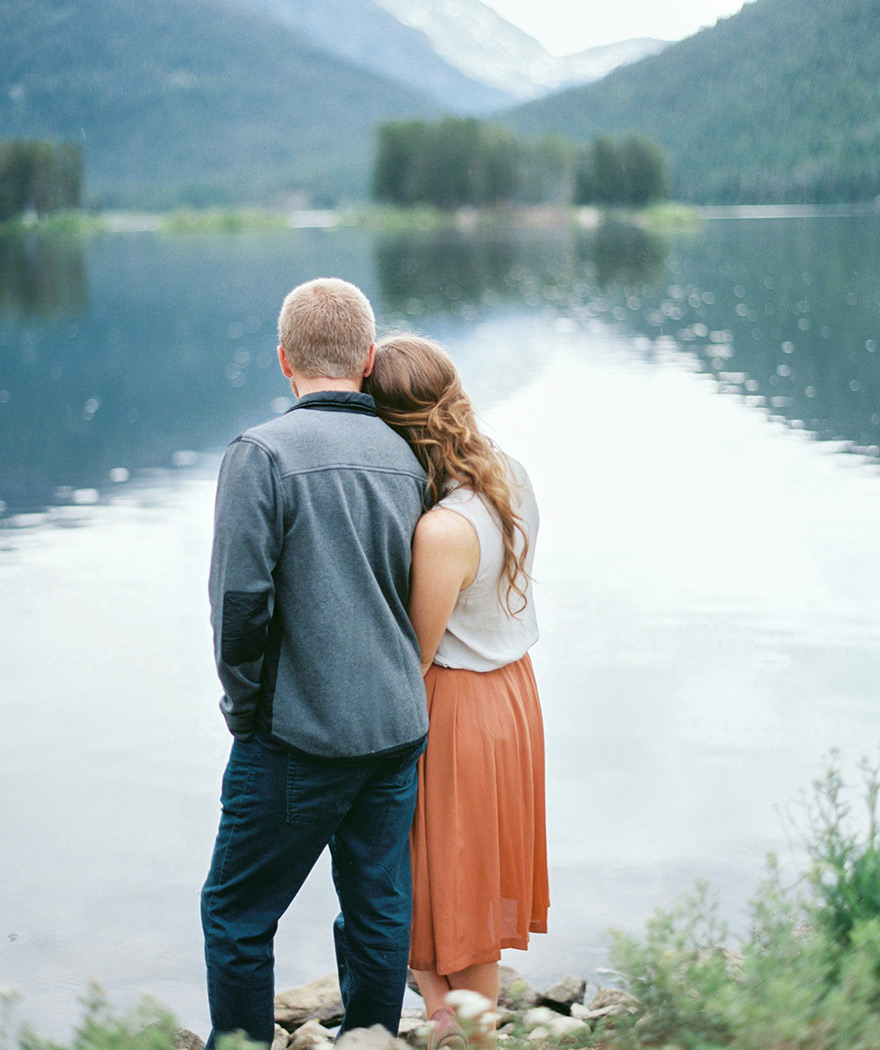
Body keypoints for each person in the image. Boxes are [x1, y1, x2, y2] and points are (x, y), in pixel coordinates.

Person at [201, 279, 429, 1048]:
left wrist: (247, 716)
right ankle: (372, 1037)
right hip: (396, 729)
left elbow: (239, 609)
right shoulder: (408, 456)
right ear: (366, 359)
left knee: (236, 912)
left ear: (283, 360)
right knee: (377, 904)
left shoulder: (260, 454)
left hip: (296, 736)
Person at [364, 335, 549, 1048]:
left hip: (457, 706)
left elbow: (413, 655)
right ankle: (464, 1032)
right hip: (511, 695)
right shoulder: (507, 472)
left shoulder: (442, 528)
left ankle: (465, 1034)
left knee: (453, 908)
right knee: (455, 905)